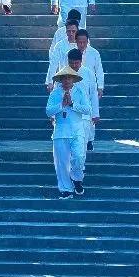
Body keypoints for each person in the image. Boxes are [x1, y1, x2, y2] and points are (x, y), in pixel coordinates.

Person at [46, 65, 91, 198]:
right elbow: (48, 111)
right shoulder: (55, 93)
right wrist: (62, 105)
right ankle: (66, 189)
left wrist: (72, 104)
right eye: (64, 78)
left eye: (69, 78)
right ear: (61, 80)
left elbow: (87, 109)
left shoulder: (80, 91)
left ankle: (77, 179)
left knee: (79, 157)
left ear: (73, 79)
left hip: (77, 129)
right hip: (61, 130)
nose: (67, 81)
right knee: (61, 163)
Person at [74, 27, 104, 149]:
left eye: (84, 42)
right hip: (75, 85)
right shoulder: (71, 54)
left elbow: (99, 71)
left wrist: (100, 87)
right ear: (75, 41)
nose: (82, 44)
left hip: (90, 85)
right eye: (79, 42)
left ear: (88, 41)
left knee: (91, 112)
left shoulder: (94, 53)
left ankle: (90, 139)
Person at [45, 21, 79, 89]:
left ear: (77, 31)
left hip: (79, 79)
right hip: (63, 79)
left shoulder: (82, 45)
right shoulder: (59, 45)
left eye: (73, 31)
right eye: (69, 31)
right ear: (66, 32)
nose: (71, 34)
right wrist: (50, 81)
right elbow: (53, 64)